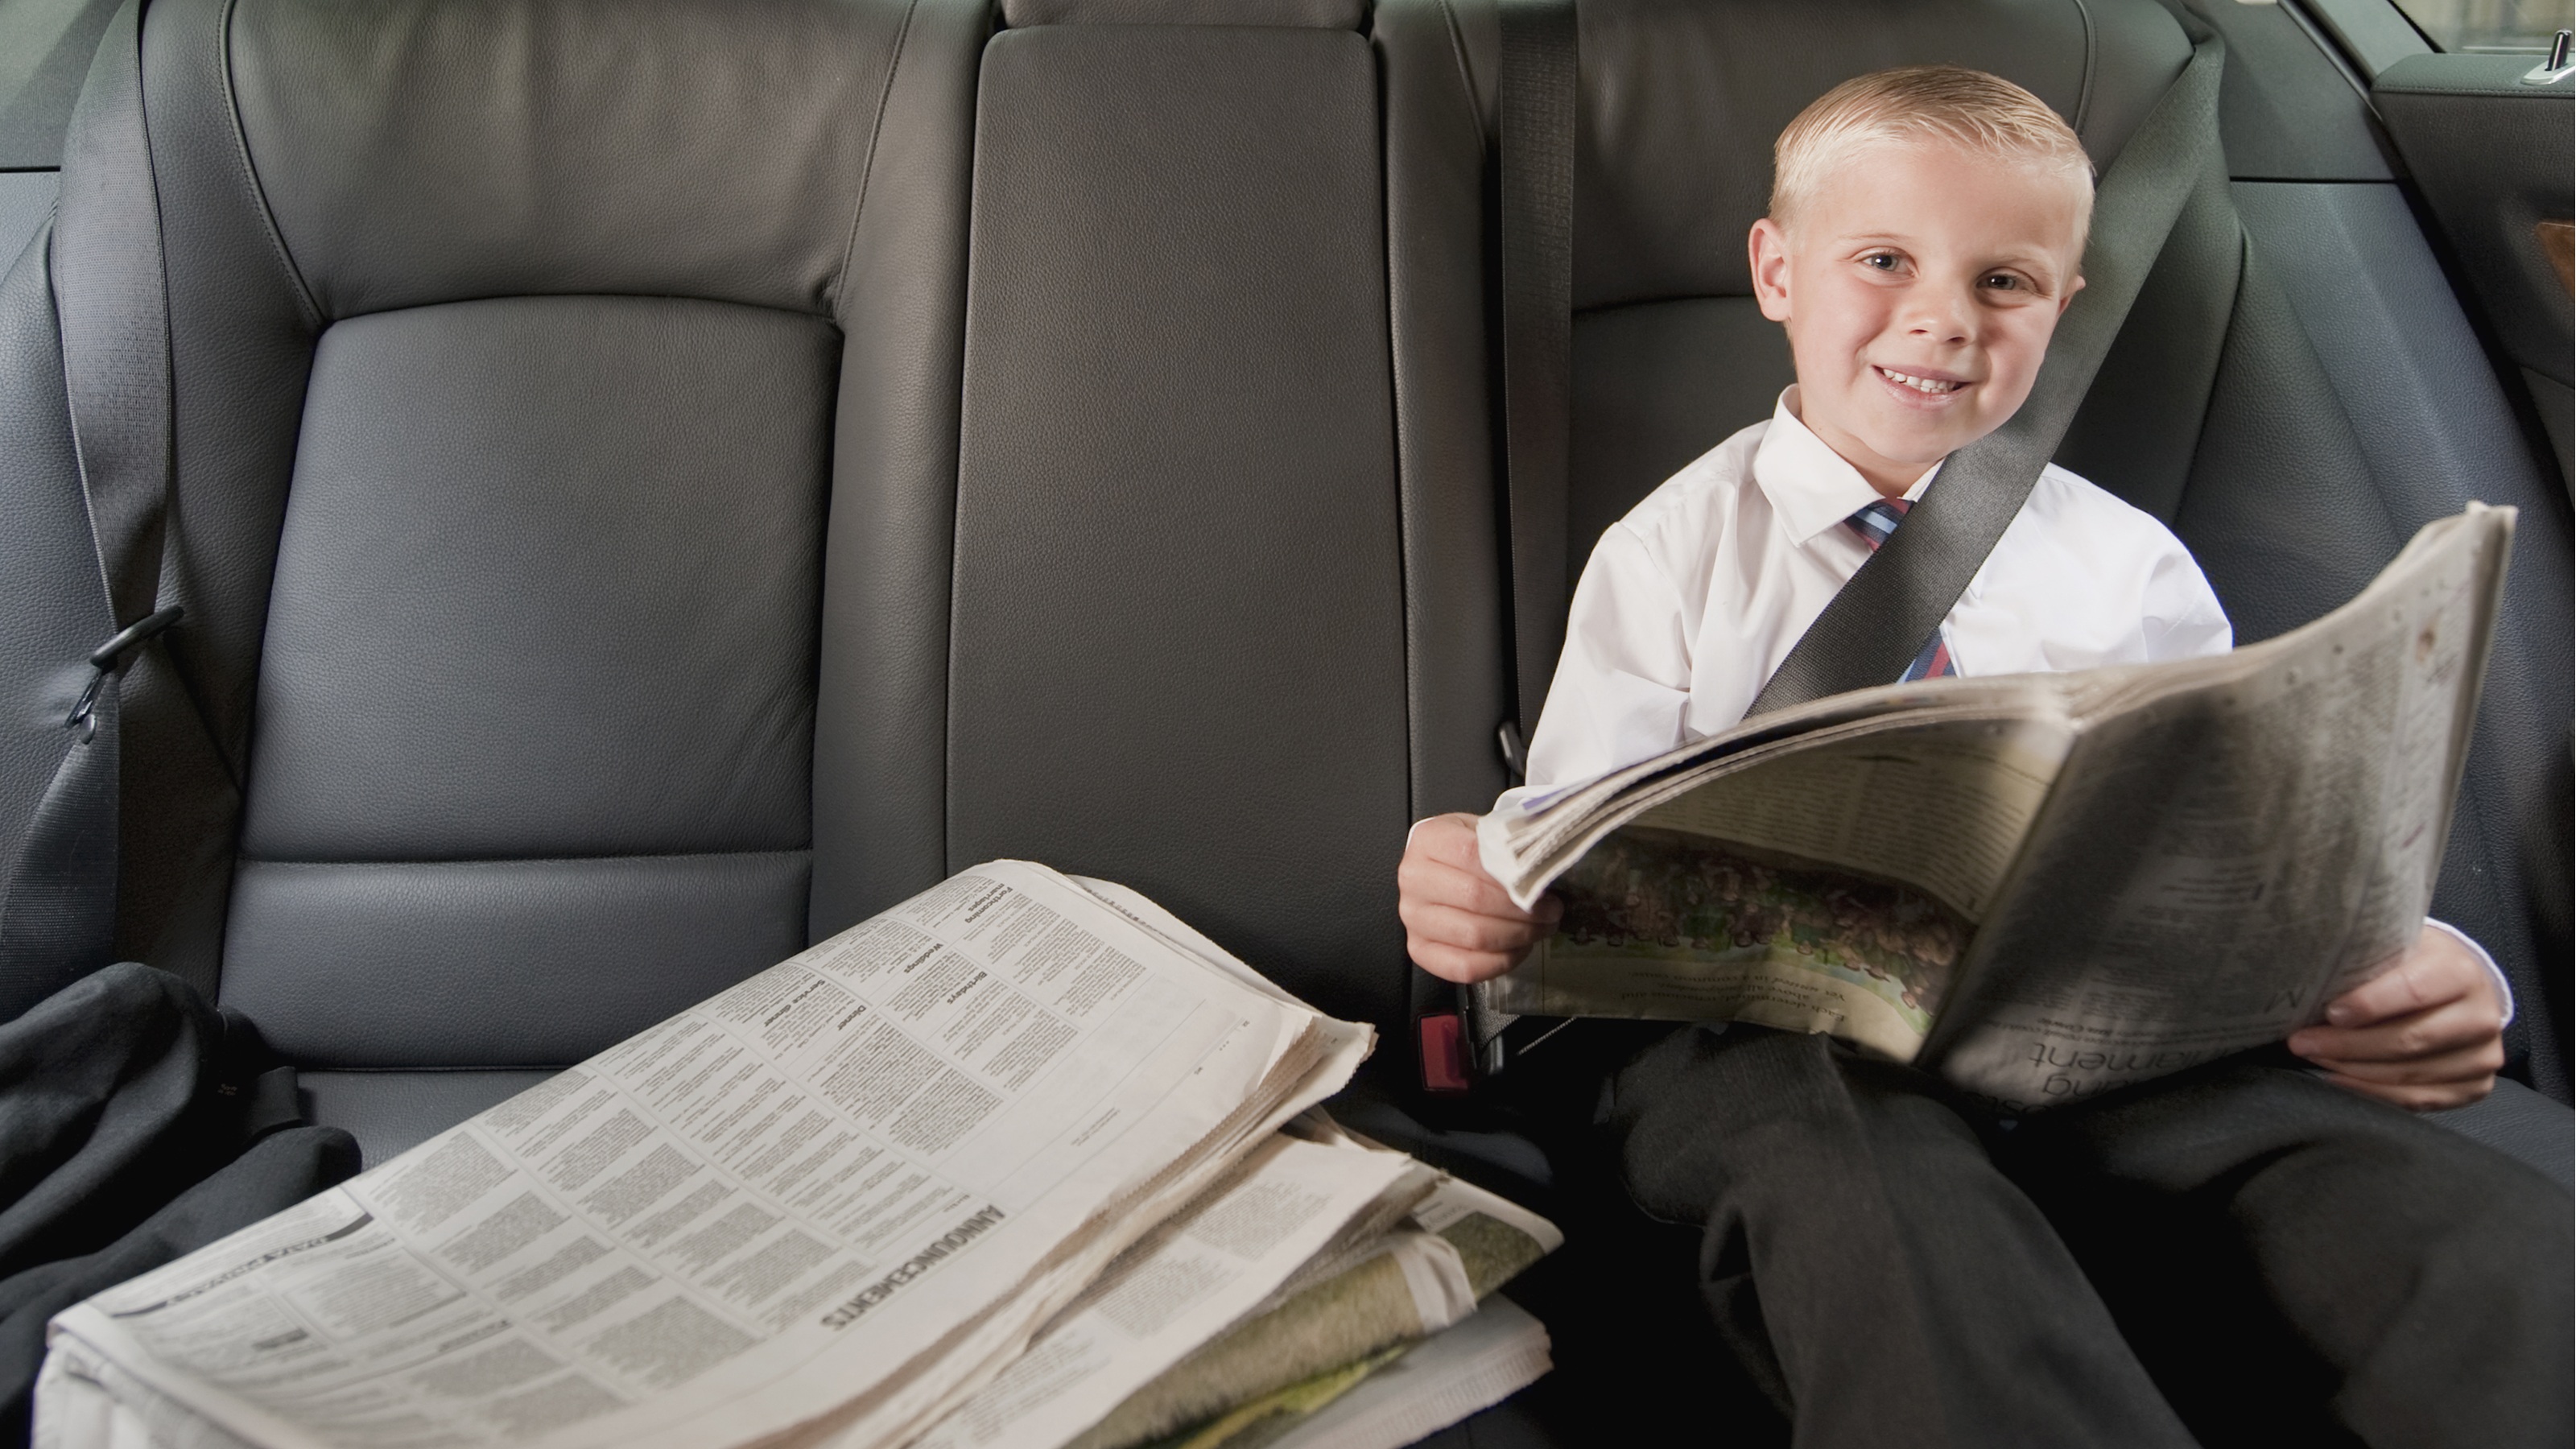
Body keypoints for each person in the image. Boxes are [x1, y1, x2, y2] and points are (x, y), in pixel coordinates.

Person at [1397, 66, 2570, 1447]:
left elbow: (2241, 823)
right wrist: (1482, 879)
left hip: (2104, 1042)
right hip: (1768, 1048)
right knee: (1858, 1188)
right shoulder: (1672, 553)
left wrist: (2407, 959)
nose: (1945, 318)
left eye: (2005, 282)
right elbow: (1574, 846)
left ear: (2062, 309)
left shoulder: (2125, 561)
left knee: (2441, 1214)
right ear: (1777, 272)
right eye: (1883, 260)